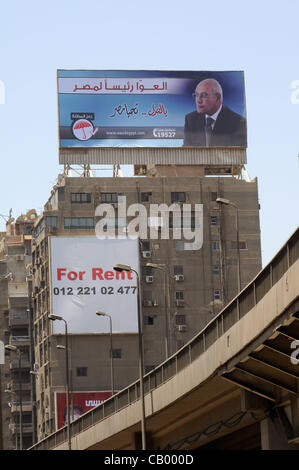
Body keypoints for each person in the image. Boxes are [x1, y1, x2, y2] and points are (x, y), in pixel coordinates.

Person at [183, 78, 247, 147]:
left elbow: (237, 154)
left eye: (204, 95)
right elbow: (187, 150)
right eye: (196, 95)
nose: (198, 100)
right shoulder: (190, 119)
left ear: (217, 97)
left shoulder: (238, 123)